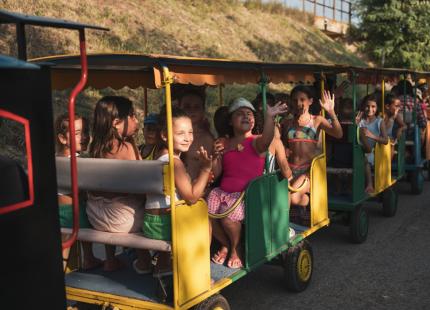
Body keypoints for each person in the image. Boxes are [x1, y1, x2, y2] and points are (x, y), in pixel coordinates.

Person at [209, 97, 288, 269]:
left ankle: (236, 248)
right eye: (240, 114)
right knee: (207, 216)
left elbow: (268, 139)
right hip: (223, 193)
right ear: (230, 121)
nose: (246, 116)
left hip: (247, 197)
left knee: (227, 218)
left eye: (249, 114)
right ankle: (227, 244)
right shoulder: (225, 143)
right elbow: (217, 173)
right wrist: (215, 156)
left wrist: (270, 117)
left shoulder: (257, 141)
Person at [142, 105, 213, 276]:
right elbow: (191, 197)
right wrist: (205, 169)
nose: (188, 138)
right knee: (207, 224)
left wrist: (199, 181)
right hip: (166, 225)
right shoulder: (174, 162)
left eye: (190, 132)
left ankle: (163, 265)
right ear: (165, 135)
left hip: (150, 222)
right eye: (181, 134)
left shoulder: (156, 155)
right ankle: (196, 272)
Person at [86, 96, 147, 272]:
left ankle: (110, 260)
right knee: (150, 207)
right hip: (122, 221)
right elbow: (143, 183)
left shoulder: (96, 147)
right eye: (133, 116)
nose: (136, 121)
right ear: (116, 122)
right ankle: (144, 261)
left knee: (116, 201)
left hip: (95, 215)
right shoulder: (128, 148)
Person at [282, 85, 342, 223]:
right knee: (283, 196)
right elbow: (282, 145)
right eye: (295, 100)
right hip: (290, 169)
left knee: (292, 198)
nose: (298, 103)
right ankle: (299, 210)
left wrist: (331, 112)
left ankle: (304, 206)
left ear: (310, 101)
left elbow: (338, 134)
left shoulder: (317, 120)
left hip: (308, 171)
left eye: (302, 99)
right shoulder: (287, 123)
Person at [54, 113, 101, 270]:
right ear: (62, 139)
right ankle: (89, 257)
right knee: (88, 214)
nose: (85, 137)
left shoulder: (55, 158)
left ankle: (80, 259)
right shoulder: (79, 162)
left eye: (86, 131)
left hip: (58, 210)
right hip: (74, 213)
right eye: (77, 133)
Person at [178, 90, 214, 180]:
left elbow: (212, 172)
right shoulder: (169, 135)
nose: (192, 110)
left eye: (196, 107)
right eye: (187, 107)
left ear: (203, 111)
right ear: (179, 109)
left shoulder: (207, 139)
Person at [356, 94, 389, 193]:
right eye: (367, 106)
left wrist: (372, 136)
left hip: (373, 152)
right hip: (360, 149)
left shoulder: (379, 122)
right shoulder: (360, 121)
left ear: (377, 107)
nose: (370, 109)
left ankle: (370, 184)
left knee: (365, 159)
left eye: (373, 106)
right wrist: (355, 124)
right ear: (363, 107)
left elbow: (386, 140)